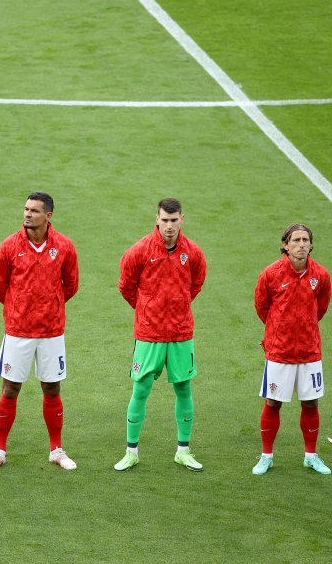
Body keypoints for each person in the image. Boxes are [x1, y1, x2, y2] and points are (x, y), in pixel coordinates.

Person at [0, 192, 79, 471]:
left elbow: (70, 285)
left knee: (52, 387)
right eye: (25, 209)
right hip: (18, 331)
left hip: (51, 331)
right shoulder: (9, 246)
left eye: (34, 210)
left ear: (48, 216)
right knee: (11, 388)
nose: (27, 214)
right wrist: (19, 308)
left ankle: (56, 450)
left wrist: (50, 305)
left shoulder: (64, 246)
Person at [114, 198, 206, 472]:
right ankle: (131, 452)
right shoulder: (140, 250)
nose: (169, 226)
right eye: (164, 220)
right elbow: (126, 285)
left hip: (180, 334)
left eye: (174, 220)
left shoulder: (193, 253)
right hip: (149, 334)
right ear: (157, 219)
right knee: (140, 389)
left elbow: (197, 283)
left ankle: (183, 450)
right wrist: (146, 309)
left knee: (184, 389)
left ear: (182, 220)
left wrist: (177, 307)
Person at [252, 223, 331, 475]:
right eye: (295, 240)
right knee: (273, 403)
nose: (301, 244)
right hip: (280, 352)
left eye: (305, 240)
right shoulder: (271, 274)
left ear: (311, 244)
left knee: (311, 404)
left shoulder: (321, 275)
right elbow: (262, 306)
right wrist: (279, 329)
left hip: (309, 352)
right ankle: (266, 456)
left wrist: (303, 329)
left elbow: (320, 308)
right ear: (285, 245)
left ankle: (311, 455)